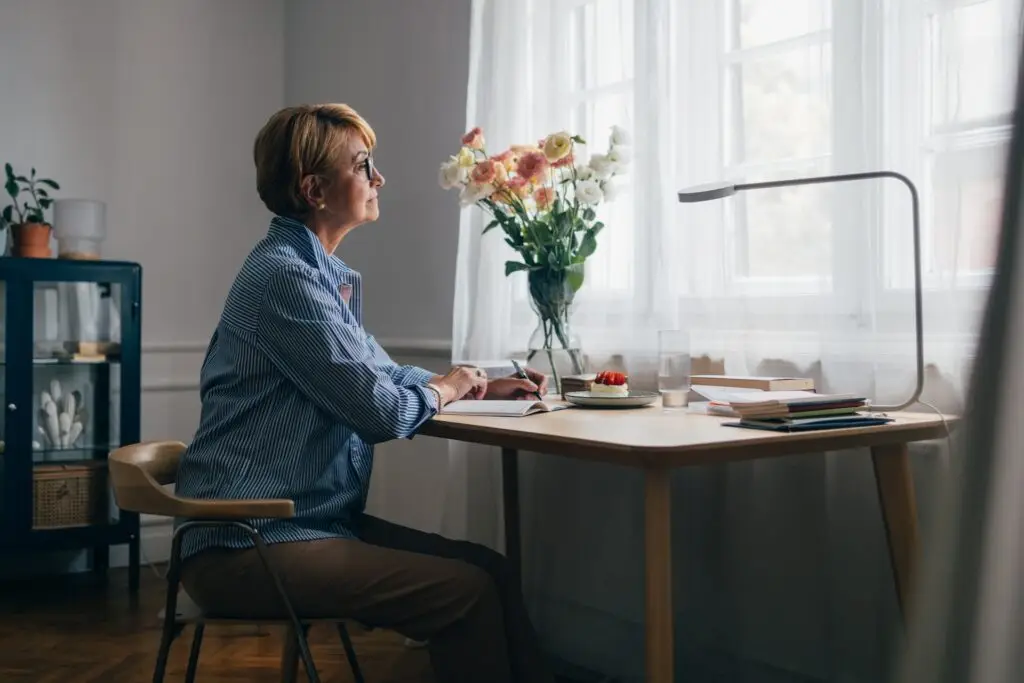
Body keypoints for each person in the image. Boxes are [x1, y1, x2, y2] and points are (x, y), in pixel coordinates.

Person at [174, 103, 557, 683]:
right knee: (467, 589)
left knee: (489, 568)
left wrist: (473, 387)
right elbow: (379, 410)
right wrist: (449, 386)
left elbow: (378, 373)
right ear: (314, 189)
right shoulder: (286, 278)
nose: (379, 179)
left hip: (303, 525)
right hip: (247, 544)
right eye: (363, 165)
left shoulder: (315, 272)